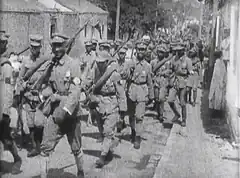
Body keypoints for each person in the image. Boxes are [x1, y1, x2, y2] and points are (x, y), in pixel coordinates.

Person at [38, 33, 84, 178]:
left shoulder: (73, 64)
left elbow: (75, 92)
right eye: (54, 46)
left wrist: (66, 109)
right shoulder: (51, 65)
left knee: (76, 147)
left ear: (65, 46)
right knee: (45, 148)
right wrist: (44, 95)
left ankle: (81, 171)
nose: (56, 49)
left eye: (59, 45)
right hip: (55, 112)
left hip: (70, 113)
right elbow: (47, 86)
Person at [84, 50, 127, 168]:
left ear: (107, 62)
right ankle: (107, 151)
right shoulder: (95, 71)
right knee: (102, 131)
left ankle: (102, 157)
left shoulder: (114, 74)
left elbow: (121, 94)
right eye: (97, 62)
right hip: (98, 104)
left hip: (111, 105)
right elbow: (87, 82)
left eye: (101, 62)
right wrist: (86, 90)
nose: (99, 64)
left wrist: (122, 112)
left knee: (108, 132)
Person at [16, 34, 44, 157]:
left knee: (39, 123)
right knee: (30, 123)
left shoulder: (44, 61)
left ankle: (40, 144)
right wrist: (21, 87)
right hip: (28, 96)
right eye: (32, 47)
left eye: (36, 47)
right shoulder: (26, 62)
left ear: (40, 47)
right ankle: (34, 146)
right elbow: (20, 79)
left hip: (41, 97)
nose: (33, 50)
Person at [122, 39, 154, 149]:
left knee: (139, 117)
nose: (141, 51)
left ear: (146, 51)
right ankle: (133, 131)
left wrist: (151, 95)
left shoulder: (148, 66)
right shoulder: (130, 63)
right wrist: (128, 70)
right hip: (132, 90)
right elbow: (124, 77)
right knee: (131, 115)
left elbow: (150, 81)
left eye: (143, 50)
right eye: (139, 49)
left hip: (142, 91)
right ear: (136, 50)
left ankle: (138, 138)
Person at [0, 31, 22, 175]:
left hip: (1, 109)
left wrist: (6, 112)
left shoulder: (5, 65)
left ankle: (17, 159)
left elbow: (8, 90)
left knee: (6, 139)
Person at [168, 44, 193, 127]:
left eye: (180, 50)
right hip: (175, 82)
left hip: (184, 83)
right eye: (176, 50)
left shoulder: (187, 60)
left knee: (182, 103)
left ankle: (183, 120)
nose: (178, 52)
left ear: (183, 50)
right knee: (170, 100)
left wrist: (189, 86)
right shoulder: (174, 59)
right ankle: (177, 114)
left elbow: (190, 74)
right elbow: (171, 70)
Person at [151, 45, 173, 122]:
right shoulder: (153, 62)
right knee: (156, 99)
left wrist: (164, 73)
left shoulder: (167, 62)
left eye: (162, 52)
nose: (160, 54)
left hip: (163, 82)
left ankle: (161, 115)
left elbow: (170, 71)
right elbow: (151, 72)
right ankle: (157, 112)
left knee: (161, 98)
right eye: (159, 52)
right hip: (156, 82)